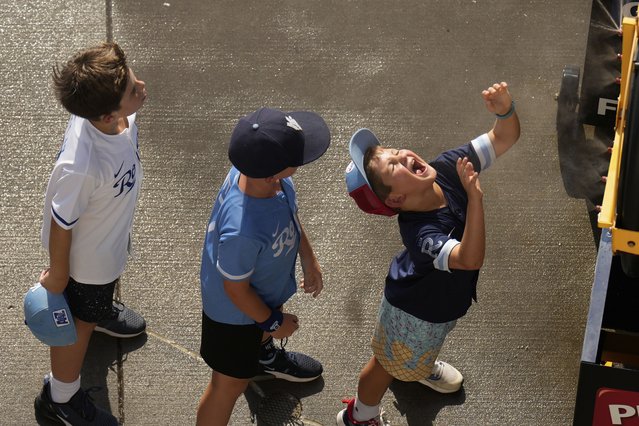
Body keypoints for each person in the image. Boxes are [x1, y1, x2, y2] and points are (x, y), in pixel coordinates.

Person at [339, 82, 520, 425]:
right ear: (395, 200)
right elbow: (469, 259)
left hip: (437, 305)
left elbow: (503, 138)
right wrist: (476, 199)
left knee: (404, 355)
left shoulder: (449, 165)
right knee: (382, 366)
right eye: (394, 166)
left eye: (393, 150)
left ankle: (417, 364)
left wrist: (504, 111)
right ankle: (359, 415)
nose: (403, 155)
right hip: (415, 313)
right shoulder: (420, 233)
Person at [33, 42, 148, 425]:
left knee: (92, 306)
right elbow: (62, 222)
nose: (142, 86)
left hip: (107, 242)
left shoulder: (114, 118)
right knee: (75, 326)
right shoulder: (82, 165)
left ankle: (96, 314)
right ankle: (60, 398)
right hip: (86, 266)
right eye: (133, 89)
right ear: (105, 112)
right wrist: (59, 275)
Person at [197, 107, 330, 425]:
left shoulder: (270, 182)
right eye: (297, 156)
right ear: (273, 171)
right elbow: (236, 290)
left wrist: (308, 256)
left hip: (263, 293)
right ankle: (257, 355)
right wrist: (273, 323)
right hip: (234, 318)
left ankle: (263, 357)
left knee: (249, 354)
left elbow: (291, 217)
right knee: (228, 385)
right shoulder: (242, 230)